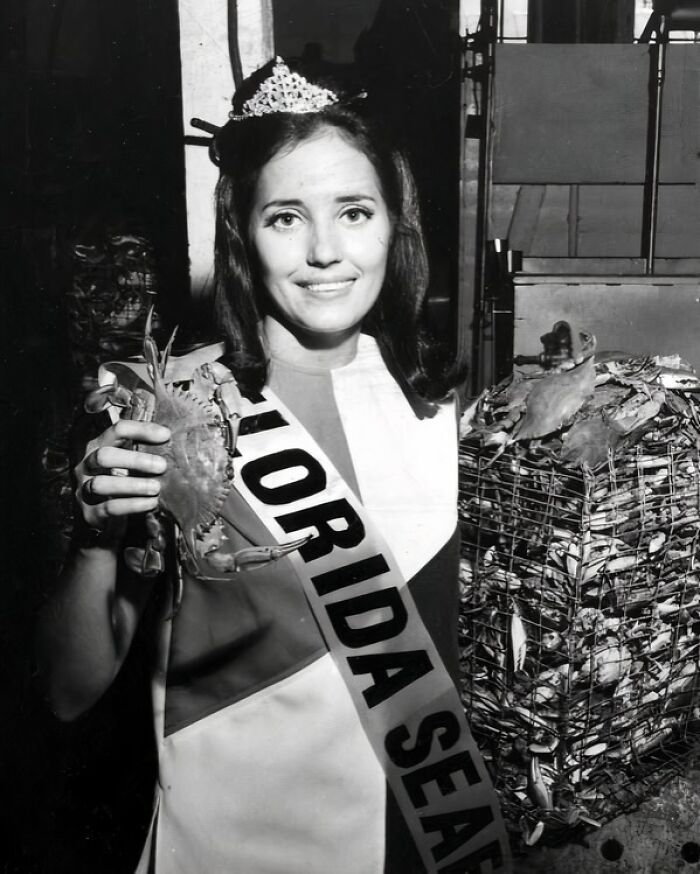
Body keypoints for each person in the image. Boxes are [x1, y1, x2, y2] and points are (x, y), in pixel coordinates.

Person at [35, 57, 510, 874]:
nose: (326, 251)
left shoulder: (441, 409)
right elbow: (68, 690)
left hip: (422, 844)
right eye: (286, 218)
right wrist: (96, 542)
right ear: (243, 236)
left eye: (354, 212)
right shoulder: (167, 411)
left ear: (396, 225)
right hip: (234, 850)